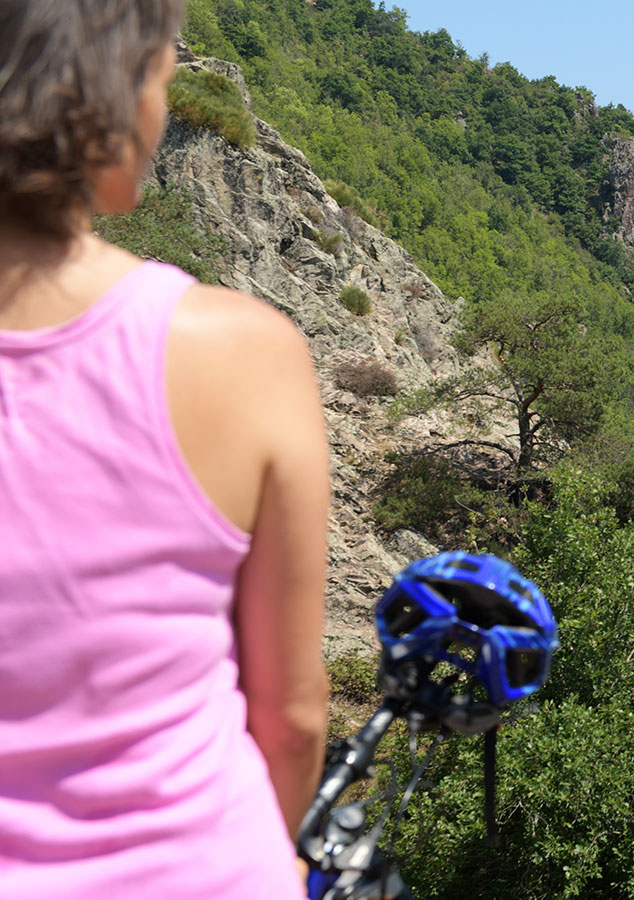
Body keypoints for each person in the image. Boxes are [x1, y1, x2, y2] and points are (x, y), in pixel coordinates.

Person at [0, 2, 330, 897]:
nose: (170, 91)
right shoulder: (239, 352)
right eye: (161, 65)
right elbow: (293, 717)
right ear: (95, 88)